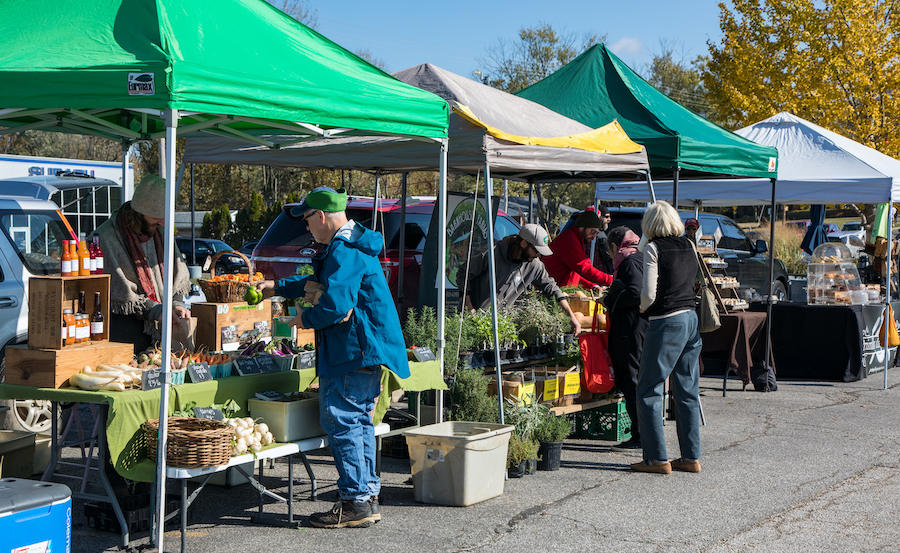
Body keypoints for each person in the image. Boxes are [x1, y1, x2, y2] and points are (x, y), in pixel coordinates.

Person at [256, 186, 408, 528]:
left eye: (307, 219)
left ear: (321, 216)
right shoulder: (350, 244)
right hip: (361, 350)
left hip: (353, 351)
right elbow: (318, 281)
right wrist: (279, 286)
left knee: (342, 421)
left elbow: (336, 305)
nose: (306, 227)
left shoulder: (344, 250)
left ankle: (355, 502)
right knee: (357, 422)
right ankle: (366, 497)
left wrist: (303, 320)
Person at [631, 201, 703, 475]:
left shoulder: (653, 248)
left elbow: (649, 293)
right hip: (691, 320)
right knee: (687, 390)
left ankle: (656, 459)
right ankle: (690, 457)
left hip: (666, 322)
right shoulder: (689, 245)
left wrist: (641, 309)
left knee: (649, 389)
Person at [94, 175, 191, 355]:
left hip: (163, 332)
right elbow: (118, 292)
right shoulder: (106, 237)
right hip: (125, 332)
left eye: (165, 217)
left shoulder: (161, 232)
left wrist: (176, 303)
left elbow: (177, 272)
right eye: (157, 216)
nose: (162, 223)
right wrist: (154, 310)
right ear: (140, 210)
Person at [463, 223, 582, 334]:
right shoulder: (490, 253)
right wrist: (470, 308)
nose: (539, 256)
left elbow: (551, 288)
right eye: (537, 251)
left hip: (502, 324)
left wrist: (571, 316)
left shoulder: (535, 265)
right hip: (474, 321)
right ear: (524, 243)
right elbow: (463, 274)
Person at [603, 226, 647, 452]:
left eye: (609, 250)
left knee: (631, 380)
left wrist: (609, 300)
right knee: (636, 378)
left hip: (630, 329)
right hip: (639, 327)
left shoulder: (629, 262)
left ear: (615, 246)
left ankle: (639, 436)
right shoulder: (641, 256)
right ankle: (641, 434)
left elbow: (634, 292)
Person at [543, 210, 613, 291]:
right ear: (582, 227)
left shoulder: (576, 239)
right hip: (551, 291)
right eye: (592, 232)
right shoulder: (568, 239)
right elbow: (584, 268)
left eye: (596, 233)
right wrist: (610, 280)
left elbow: (576, 274)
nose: (594, 236)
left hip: (558, 290)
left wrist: (593, 287)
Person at [592, 205, 614, 274]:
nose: (609, 219)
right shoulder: (601, 237)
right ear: (599, 217)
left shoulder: (601, 235)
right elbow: (609, 262)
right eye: (606, 216)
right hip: (600, 276)